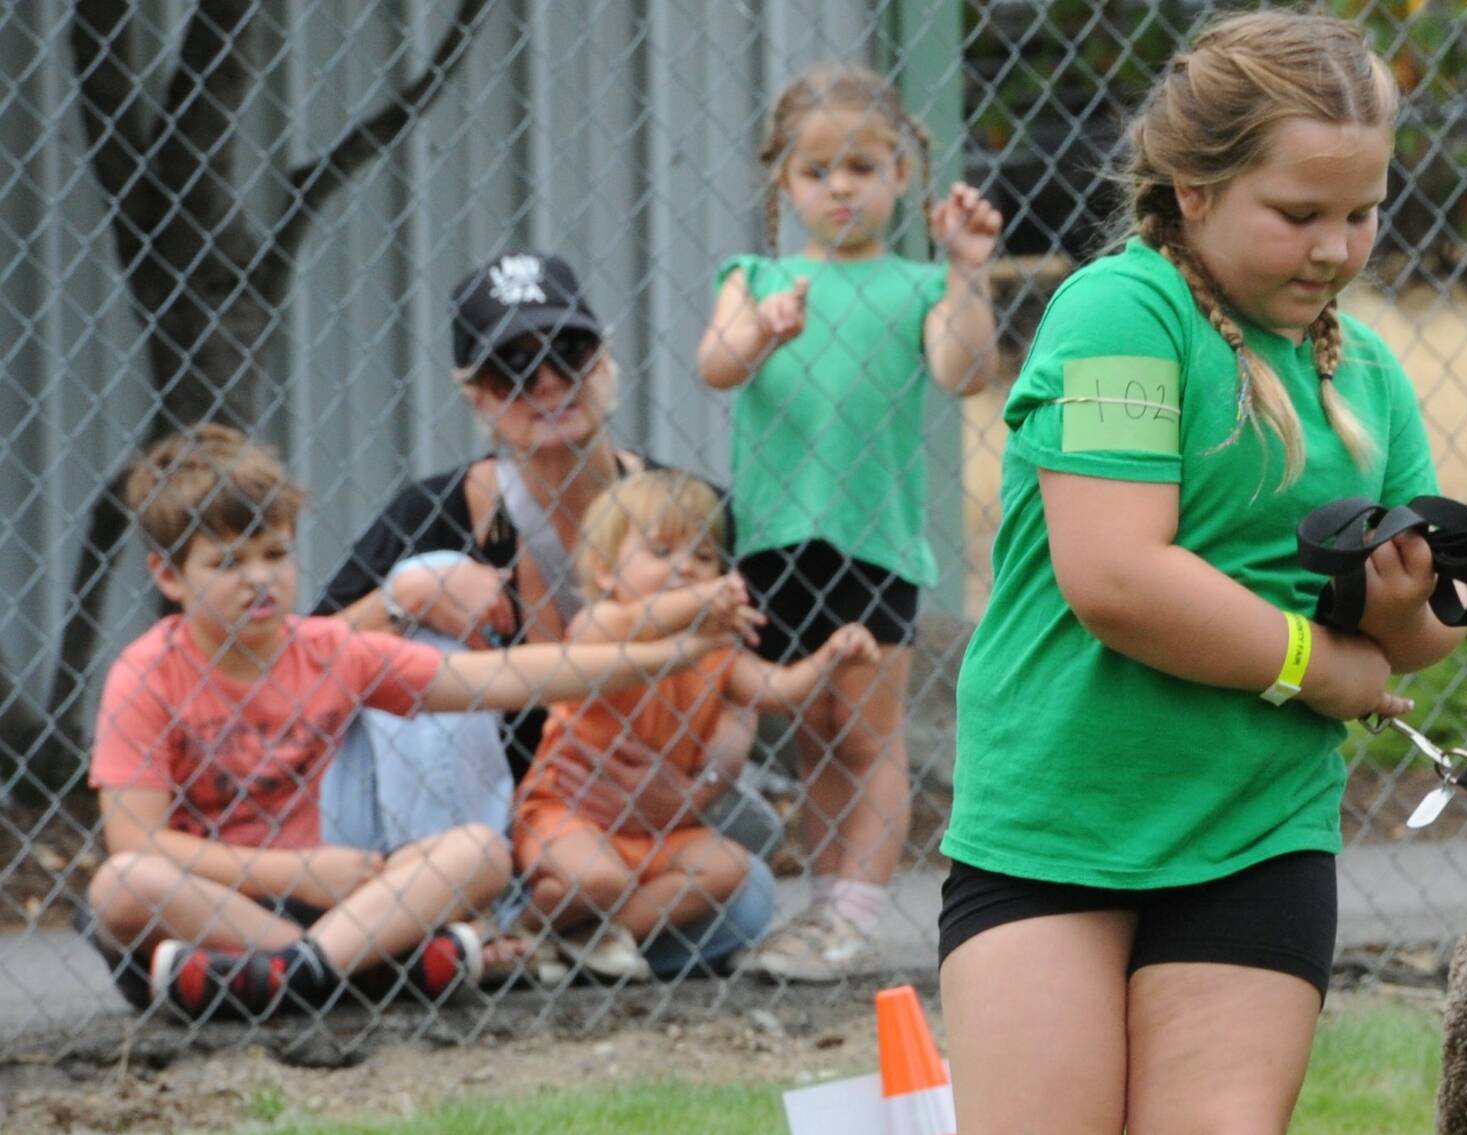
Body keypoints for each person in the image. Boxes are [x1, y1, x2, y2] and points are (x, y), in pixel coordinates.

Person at [936, 10, 1466, 1135]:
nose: (1334, 247)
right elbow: (1113, 574)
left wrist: (1405, 615)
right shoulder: (1116, 311)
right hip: (1054, 817)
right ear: (1185, 186)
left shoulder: (1363, 377)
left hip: (1250, 828)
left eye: (1361, 210)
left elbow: (1424, 623)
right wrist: (1325, 662)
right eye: (1294, 214)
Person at [84, 426, 742, 1022]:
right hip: (226, 905)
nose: (260, 579)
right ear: (168, 575)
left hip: (347, 897)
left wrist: (676, 651)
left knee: (480, 852)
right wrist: (300, 873)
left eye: (275, 554)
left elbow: (509, 677)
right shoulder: (147, 674)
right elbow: (139, 840)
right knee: (120, 885)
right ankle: (359, 967)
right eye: (228, 562)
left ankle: (287, 977)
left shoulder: (324, 648)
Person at [316, 252, 783, 977]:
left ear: (605, 365)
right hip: (475, 831)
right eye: (511, 369)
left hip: (624, 833)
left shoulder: (689, 513)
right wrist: (401, 601)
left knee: (748, 896)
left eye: (569, 354)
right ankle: (458, 919)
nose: (547, 385)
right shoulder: (434, 512)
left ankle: (521, 954)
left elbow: (745, 656)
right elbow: (303, 654)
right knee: (423, 588)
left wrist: (701, 783)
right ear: (476, 398)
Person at [696, 65, 1003, 981]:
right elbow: (717, 363)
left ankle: (848, 917)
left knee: (866, 732)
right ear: (781, 185)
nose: (839, 187)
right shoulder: (756, 279)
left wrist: (966, 272)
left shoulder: (916, 287)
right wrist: (760, 333)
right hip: (774, 542)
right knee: (811, 728)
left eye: (861, 166)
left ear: (902, 177)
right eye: (816, 171)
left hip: (873, 544)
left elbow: (964, 369)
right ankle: (824, 908)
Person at [515, 472, 879, 984]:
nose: (685, 567)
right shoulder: (599, 626)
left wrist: (831, 658)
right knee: (597, 878)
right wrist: (704, 600)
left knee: (728, 866)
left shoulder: (718, 652)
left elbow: (779, 689)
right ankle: (520, 935)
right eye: (661, 551)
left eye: (703, 557)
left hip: (659, 832)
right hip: (569, 814)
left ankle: (600, 935)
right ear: (604, 571)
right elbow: (632, 625)